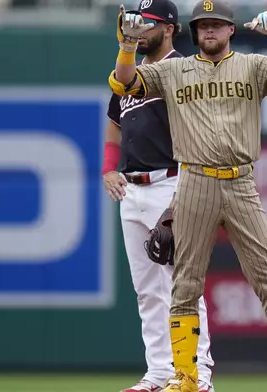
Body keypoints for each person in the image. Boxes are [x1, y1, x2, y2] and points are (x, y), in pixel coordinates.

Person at [108, 1, 267, 391]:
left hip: (240, 182)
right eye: (204, 26)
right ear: (194, 30)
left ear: (231, 30)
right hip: (196, 181)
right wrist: (128, 45)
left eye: (217, 25)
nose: (210, 32)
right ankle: (185, 376)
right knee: (184, 283)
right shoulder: (172, 70)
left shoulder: (252, 65)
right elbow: (123, 84)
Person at [102, 1, 214, 392]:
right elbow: (114, 128)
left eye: (147, 24)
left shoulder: (185, 71)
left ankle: (198, 377)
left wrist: (184, 194)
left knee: (182, 285)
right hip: (131, 189)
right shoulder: (127, 75)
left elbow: (200, 137)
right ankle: (161, 373)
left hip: (172, 181)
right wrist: (108, 169)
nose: (139, 31)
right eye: (136, 23)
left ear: (168, 28)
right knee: (148, 290)